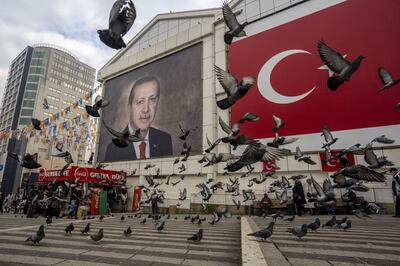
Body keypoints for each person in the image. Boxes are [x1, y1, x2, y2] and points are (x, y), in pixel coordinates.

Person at [105, 76, 173, 161]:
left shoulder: (165, 140)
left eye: (152, 99)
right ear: (129, 108)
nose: (146, 109)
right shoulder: (113, 149)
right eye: (140, 101)